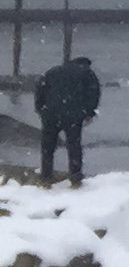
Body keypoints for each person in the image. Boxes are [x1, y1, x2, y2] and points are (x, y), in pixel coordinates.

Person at [34, 55, 97, 185]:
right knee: (73, 145)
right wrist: (89, 112)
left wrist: (40, 108)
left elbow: (40, 89)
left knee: (48, 146)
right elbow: (93, 93)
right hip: (73, 114)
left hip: (50, 112)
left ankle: (46, 175)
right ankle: (75, 176)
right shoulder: (87, 73)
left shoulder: (53, 71)